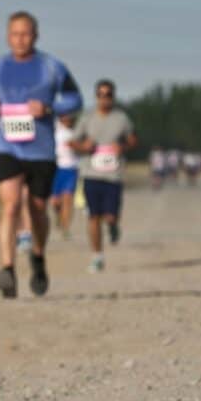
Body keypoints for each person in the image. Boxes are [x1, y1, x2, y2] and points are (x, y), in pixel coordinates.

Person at [0, 11, 82, 298]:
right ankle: (8, 270)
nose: (20, 39)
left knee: (37, 210)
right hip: (8, 147)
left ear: (36, 36)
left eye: (25, 34)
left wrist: (50, 108)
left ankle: (38, 258)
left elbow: (75, 99)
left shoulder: (52, 67)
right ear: (7, 36)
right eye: (15, 34)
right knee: (11, 205)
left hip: (41, 150)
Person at [71, 80, 137, 272]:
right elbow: (73, 141)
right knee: (93, 216)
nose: (104, 98)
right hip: (91, 173)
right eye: (101, 94)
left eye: (108, 95)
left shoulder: (121, 118)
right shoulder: (87, 118)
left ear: (113, 97)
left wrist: (123, 147)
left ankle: (113, 226)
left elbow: (133, 139)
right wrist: (84, 146)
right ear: (96, 96)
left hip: (113, 176)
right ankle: (97, 256)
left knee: (109, 216)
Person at [51, 114, 80, 238]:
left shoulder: (77, 131)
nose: (68, 119)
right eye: (65, 116)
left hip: (71, 169)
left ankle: (66, 227)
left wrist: (76, 146)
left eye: (70, 116)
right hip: (56, 168)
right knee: (55, 202)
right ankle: (59, 216)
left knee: (68, 199)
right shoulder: (54, 127)